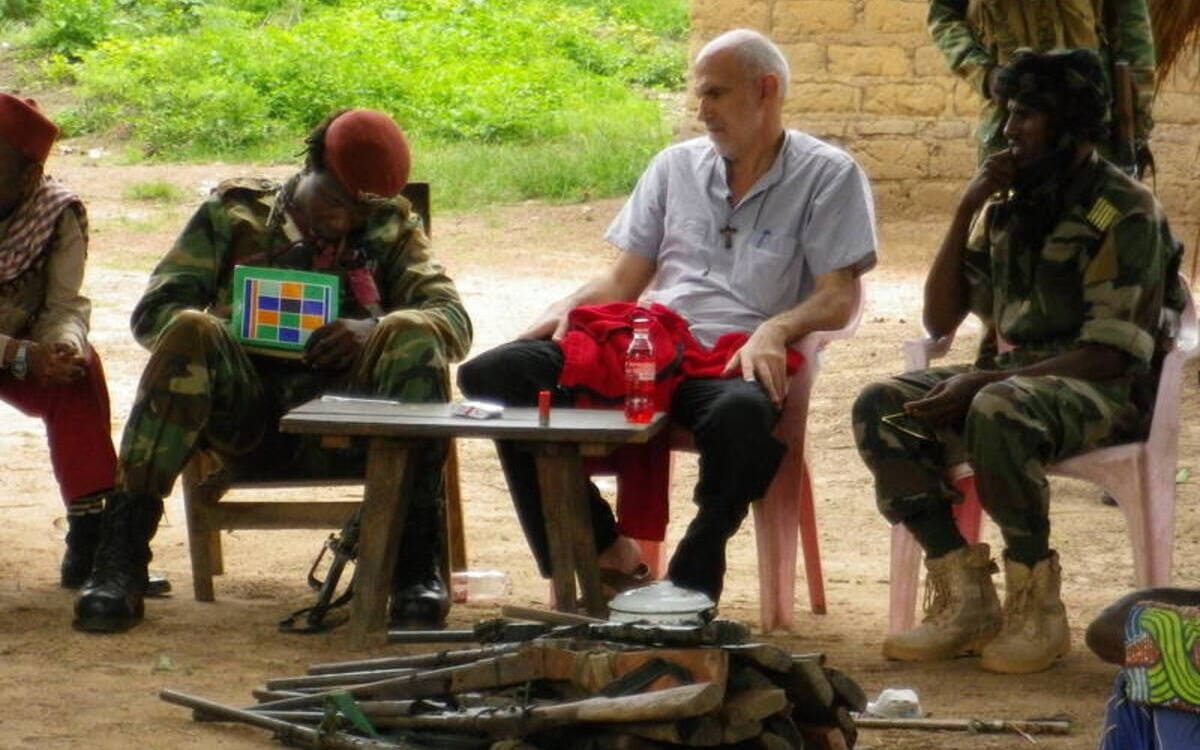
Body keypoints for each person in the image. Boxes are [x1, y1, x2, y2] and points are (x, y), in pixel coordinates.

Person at [458, 29, 877, 604]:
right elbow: (624, 280)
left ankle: (690, 580)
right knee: (493, 375)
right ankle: (608, 551)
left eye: (716, 94)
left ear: (767, 91)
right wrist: (565, 308)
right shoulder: (675, 167)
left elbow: (839, 297)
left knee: (743, 420)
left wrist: (775, 329)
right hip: (647, 349)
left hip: (735, 354)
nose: (701, 111)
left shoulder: (828, 175)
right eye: (698, 96)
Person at [74, 109, 473, 633]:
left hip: (357, 422)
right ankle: (120, 557)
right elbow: (154, 315)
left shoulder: (391, 226)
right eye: (332, 201)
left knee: (414, 332)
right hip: (246, 416)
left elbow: (454, 323)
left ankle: (415, 562)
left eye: (356, 211)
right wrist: (238, 325)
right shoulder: (234, 216)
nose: (341, 220)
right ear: (309, 168)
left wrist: (371, 330)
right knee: (192, 328)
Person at [853, 49, 1182, 674]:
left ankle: (1036, 602)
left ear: (1069, 124)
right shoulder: (1010, 203)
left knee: (996, 405)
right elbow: (940, 321)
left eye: (1026, 115)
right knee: (883, 407)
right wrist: (966, 207)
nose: (1009, 130)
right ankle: (965, 595)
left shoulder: (1124, 210)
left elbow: (1112, 354)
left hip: (1099, 391)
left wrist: (989, 380)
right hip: (1010, 385)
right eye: (1008, 112)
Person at [0, 94, 119, 590]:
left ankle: (94, 544)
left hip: (21, 348)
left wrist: (61, 348)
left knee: (80, 372)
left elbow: (64, 304)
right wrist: (19, 354)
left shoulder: (55, 212)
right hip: (12, 352)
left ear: (28, 176)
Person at [928, 0, 1156, 169]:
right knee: (1004, 226)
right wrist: (984, 74)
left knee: (1100, 224)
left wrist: (1136, 123)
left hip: (1088, 124)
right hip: (1011, 125)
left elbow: (1133, 33)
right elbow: (943, 16)